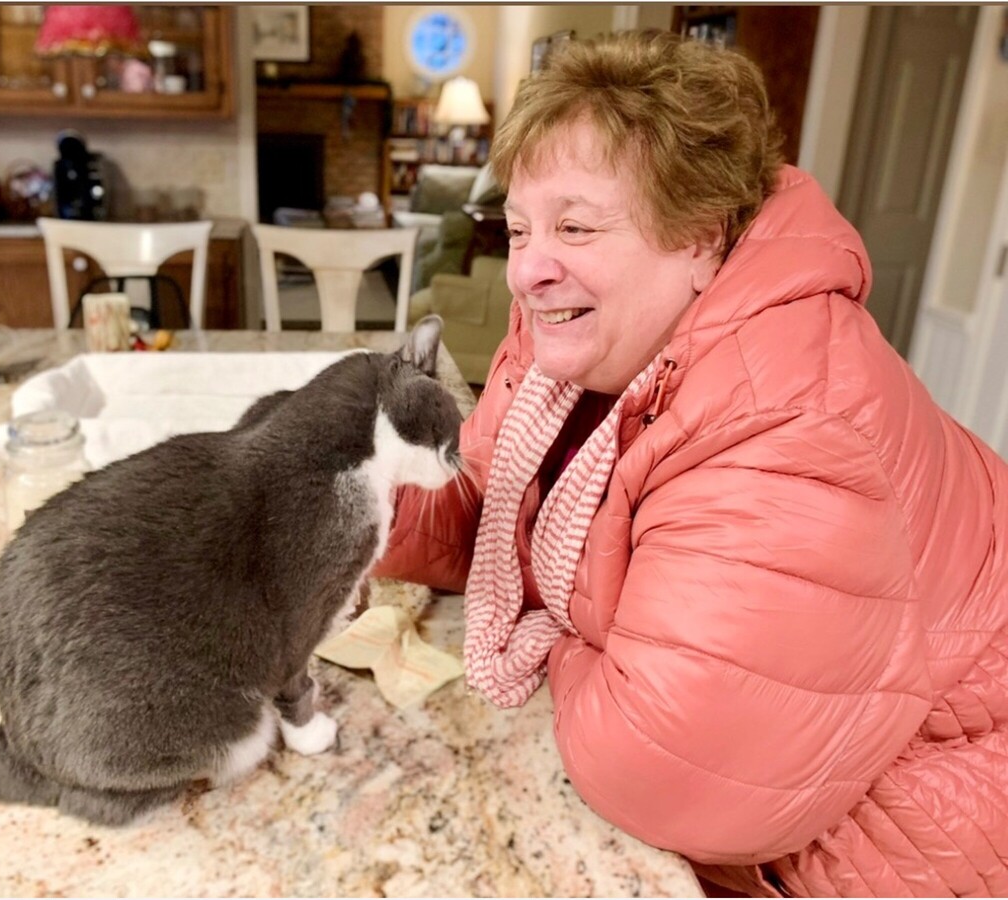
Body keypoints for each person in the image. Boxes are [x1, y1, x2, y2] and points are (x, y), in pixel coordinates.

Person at [373, 29, 1008, 898]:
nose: (529, 271)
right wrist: (360, 507)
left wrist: (555, 635)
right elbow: (495, 515)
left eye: (576, 226)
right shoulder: (574, 340)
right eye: (520, 229)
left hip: (916, 825)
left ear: (702, 238)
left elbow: (665, 764)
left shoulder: (787, 417)